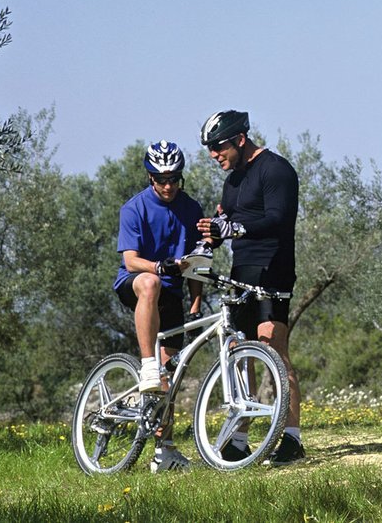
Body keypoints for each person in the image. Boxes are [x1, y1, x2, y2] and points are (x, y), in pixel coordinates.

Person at [196, 109, 305, 466]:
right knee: (241, 353)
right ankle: (240, 439)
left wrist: (233, 229)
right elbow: (228, 220)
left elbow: (278, 218)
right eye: (210, 149)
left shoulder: (276, 170)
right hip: (241, 269)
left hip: (273, 268)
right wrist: (208, 237)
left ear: (240, 140)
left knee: (273, 346)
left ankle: (291, 439)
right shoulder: (232, 180)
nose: (214, 155)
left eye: (218, 147)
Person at [113, 140, 204, 473]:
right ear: (150, 177)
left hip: (172, 293)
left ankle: (164, 451)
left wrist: (195, 304)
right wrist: (159, 268)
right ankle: (146, 363)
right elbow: (131, 260)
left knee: (172, 377)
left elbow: (196, 262)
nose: (167, 186)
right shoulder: (133, 208)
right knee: (150, 284)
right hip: (137, 283)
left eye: (174, 179)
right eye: (160, 179)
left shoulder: (192, 208)